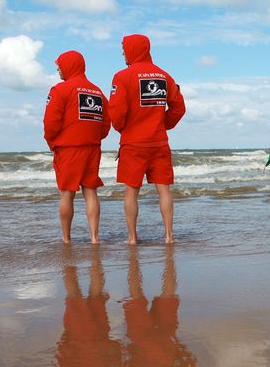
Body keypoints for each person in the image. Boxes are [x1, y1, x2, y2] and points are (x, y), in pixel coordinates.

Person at [109, 34, 185, 245]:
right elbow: (179, 107)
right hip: (159, 142)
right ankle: (169, 236)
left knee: (131, 191)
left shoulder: (122, 77)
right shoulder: (164, 76)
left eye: (124, 49)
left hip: (133, 144)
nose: (123, 53)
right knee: (164, 190)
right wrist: (163, 124)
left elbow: (116, 113)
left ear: (132, 49)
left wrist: (123, 129)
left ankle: (132, 238)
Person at [43, 50, 111, 244]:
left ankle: (66, 238)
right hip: (92, 148)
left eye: (59, 67)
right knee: (91, 191)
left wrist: (51, 142)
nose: (58, 71)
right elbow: (106, 122)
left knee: (67, 193)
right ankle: (94, 237)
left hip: (69, 148)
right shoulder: (97, 91)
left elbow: (50, 122)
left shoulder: (60, 90)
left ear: (68, 66)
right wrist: (95, 137)